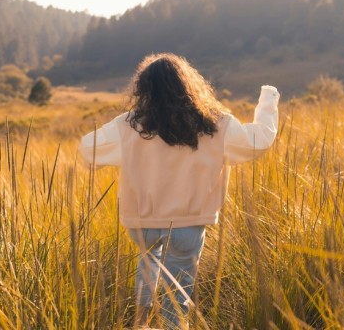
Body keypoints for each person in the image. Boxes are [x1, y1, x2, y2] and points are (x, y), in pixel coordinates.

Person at [78, 53, 279, 329]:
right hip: (188, 223)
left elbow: (87, 148)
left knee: (147, 262)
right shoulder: (215, 123)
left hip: (142, 223)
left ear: (144, 89)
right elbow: (259, 141)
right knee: (176, 296)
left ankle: (141, 324)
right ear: (189, 85)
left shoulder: (130, 124)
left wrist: (125, 145)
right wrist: (268, 98)